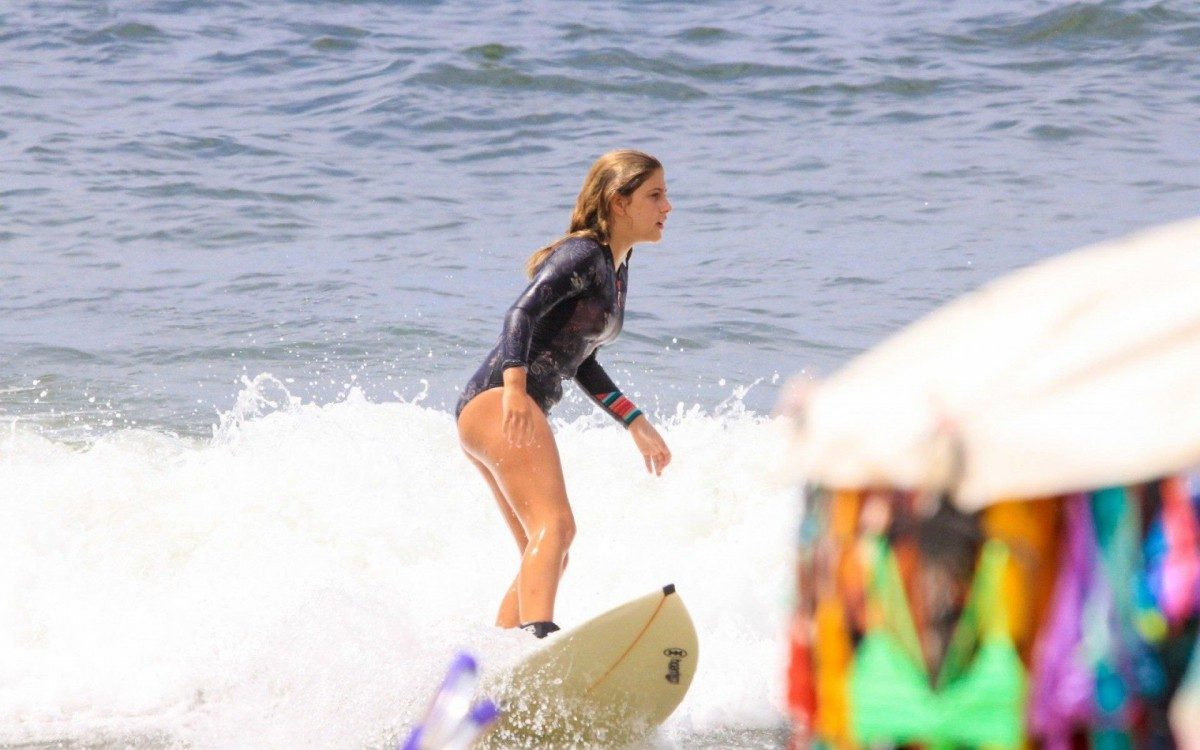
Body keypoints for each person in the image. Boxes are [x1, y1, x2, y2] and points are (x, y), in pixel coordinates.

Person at [455, 149, 674, 638]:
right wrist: (514, 388)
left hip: (492, 407)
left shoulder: (615, 269)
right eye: (655, 195)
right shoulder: (582, 254)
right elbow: (521, 314)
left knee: (551, 551)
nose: (668, 206)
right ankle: (540, 641)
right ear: (620, 202)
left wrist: (634, 421)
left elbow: (583, 361)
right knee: (557, 529)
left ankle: (497, 658)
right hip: (500, 401)